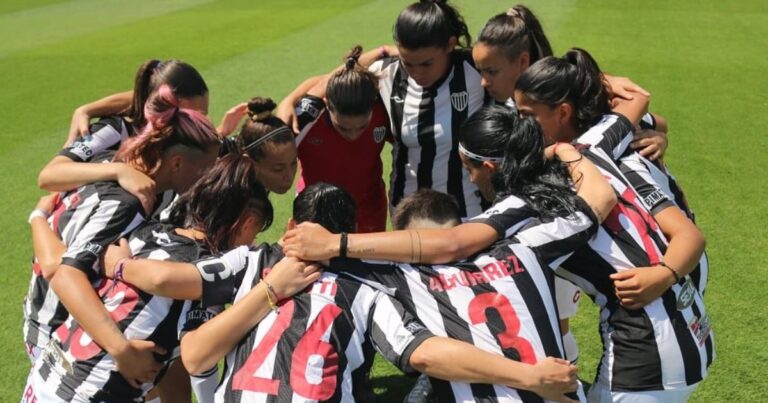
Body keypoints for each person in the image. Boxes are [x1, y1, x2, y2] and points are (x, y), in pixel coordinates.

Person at [104, 183, 582, 402]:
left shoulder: (252, 260)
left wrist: (121, 264)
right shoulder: (370, 288)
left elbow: (190, 342)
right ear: (352, 233)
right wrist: (524, 375)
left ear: (292, 226)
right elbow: (427, 354)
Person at [514, 48, 713, 401]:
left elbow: (689, 236)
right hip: (687, 330)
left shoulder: (584, 155)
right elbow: (642, 103)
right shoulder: (608, 140)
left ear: (563, 112)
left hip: (648, 353)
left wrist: (663, 273)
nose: (520, 124)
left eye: (527, 115)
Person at [23, 154, 270, 402]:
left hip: (46, 375)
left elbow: (67, 269)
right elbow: (200, 365)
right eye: (255, 232)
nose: (254, 242)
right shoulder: (204, 275)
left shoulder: (145, 232)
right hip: (92, 394)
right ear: (247, 223)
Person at [22, 84, 220, 389]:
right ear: (177, 163)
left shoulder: (117, 165)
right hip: (60, 332)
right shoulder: (126, 203)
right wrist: (121, 349)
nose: (208, 180)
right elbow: (64, 273)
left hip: (60, 323)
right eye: (205, 170)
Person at [39, 59, 210, 214]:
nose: (198, 123)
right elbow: (49, 176)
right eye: (192, 116)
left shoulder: (177, 137)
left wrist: (87, 109)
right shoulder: (115, 130)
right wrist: (119, 171)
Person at [369, 0, 487, 218]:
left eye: (426, 64)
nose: (417, 72)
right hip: (408, 213)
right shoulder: (384, 73)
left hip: (467, 212)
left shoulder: (474, 70)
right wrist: (294, 99)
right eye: (408, 62)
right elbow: (340, 81)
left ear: (450, 45)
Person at [290, 45, 393, 232]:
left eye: (362, 127)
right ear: (327, 104)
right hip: (314, 209)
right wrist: (288, 102)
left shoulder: (383, 111)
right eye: (343, 128)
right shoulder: (306, 119)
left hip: (369, 213)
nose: (353, 135)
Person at [219, 97, 298, 194]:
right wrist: (220, 132)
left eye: (294, 163)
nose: (289, 177)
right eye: (278, 169)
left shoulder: (237, 149)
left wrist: (289, 101)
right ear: (249, 162)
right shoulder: (228, 194)